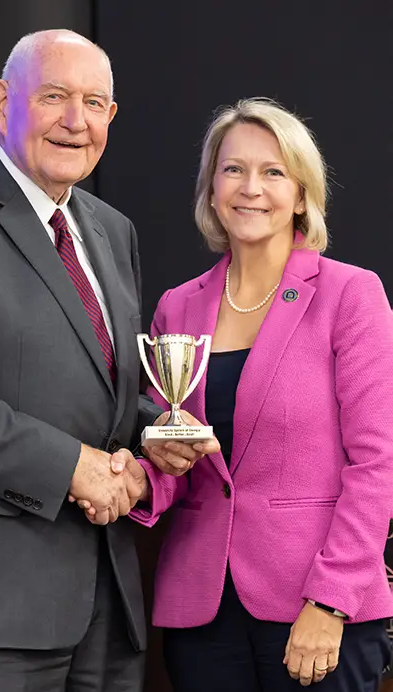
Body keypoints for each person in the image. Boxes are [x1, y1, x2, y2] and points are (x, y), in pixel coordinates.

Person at [0, 29, 213, 692]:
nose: (75, 121)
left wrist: (154, 429)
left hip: (107, 599)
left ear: (111, 117)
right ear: (1, 101)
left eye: (94, 103)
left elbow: (103, 389)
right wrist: (72, 467)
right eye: (54, 97)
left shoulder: (112, 230)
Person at [82, 98, 393, 690]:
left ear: (301, 195)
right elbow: (176, 449)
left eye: (273, 171)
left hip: (315, 607)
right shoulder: (179, 306)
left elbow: (379, 464)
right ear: (212, 187)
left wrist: (330, 601)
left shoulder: (350, 296)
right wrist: (139, 477)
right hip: (201, 609)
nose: (251, 188)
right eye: (233, 169)